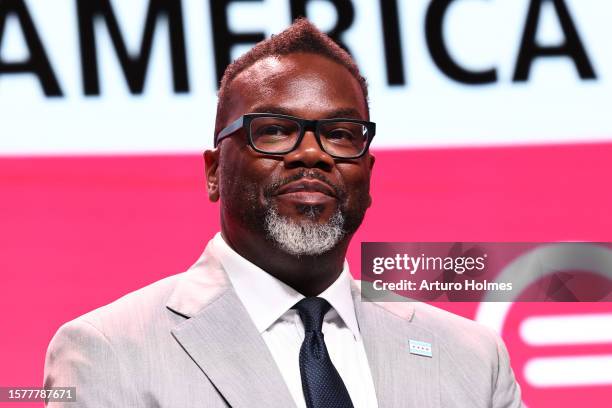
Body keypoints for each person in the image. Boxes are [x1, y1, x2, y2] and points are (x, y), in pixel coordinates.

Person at [44, 19, 523, 408]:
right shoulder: (109, 351)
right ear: (213, 172)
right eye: (274, 131)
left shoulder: (473, 360)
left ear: (368, 173)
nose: (312, 154)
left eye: (340, 133)